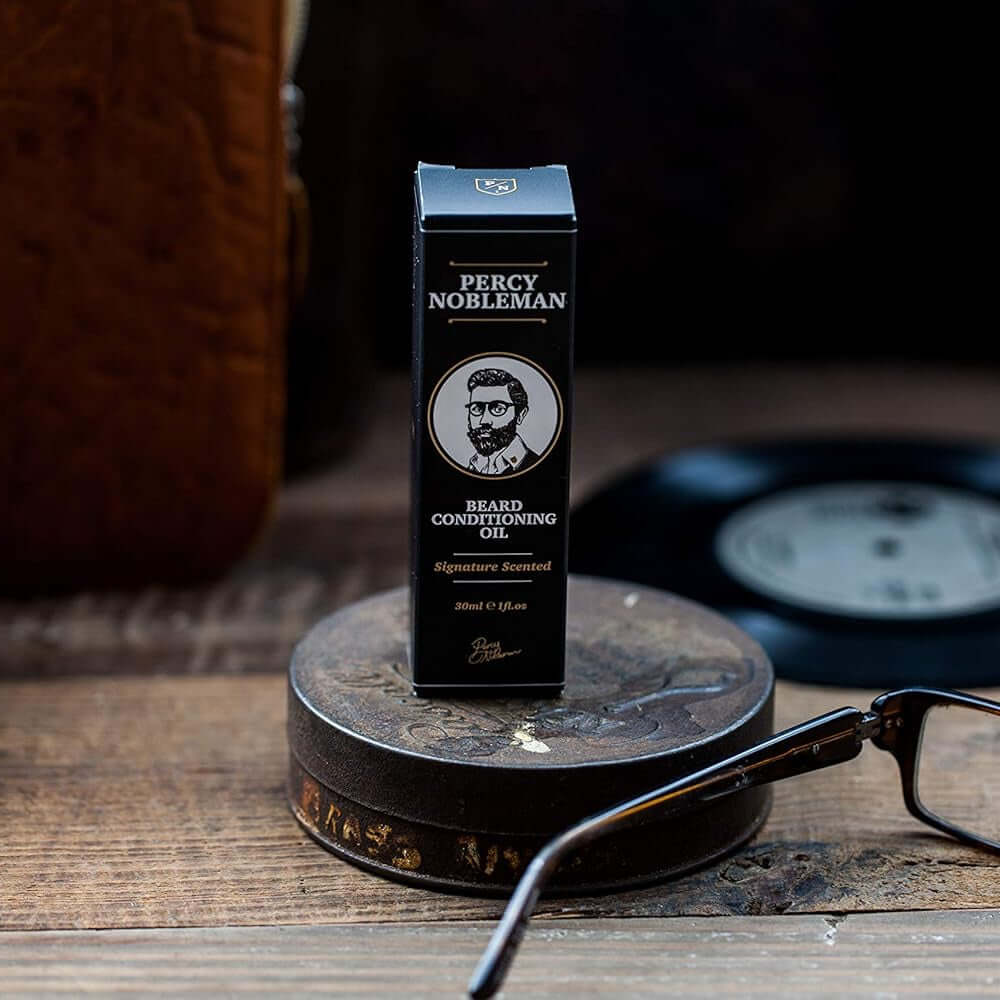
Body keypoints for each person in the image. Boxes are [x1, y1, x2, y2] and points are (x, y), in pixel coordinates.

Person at [465, 368, 540, 475]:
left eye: (498, 409)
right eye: (477, 409)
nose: (484, 420)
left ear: (520, 415)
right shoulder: (473, 466)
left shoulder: (533, 465)